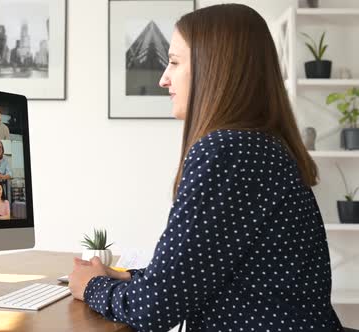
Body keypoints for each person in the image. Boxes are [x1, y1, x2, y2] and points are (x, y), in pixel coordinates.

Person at [68, 4, 344, 332]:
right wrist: (125, 276)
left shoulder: (228, 151)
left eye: (173, 62)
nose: (163, 79)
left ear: (215, 67)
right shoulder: (260, 147)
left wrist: (91, 286)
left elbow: (156, 310)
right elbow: (198, 273)